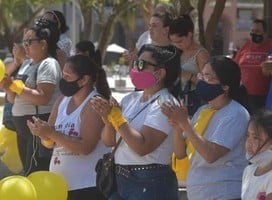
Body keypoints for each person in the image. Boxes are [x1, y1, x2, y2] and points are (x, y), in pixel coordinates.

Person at [90, 44, 181, 200]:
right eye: (136, 63)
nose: (135, 68)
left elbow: (142, 147)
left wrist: (117, 118)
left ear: (160, 73)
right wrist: (107, 120)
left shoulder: (165, 103)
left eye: (141, 64)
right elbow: (108, 140)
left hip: (150, 181)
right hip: (120, 177)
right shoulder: (130, 99)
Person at [161, 56, 250, 199]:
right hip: (199, 191)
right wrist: (178, 128)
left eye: (207, 76)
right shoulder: (203, 111)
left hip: (223, 192)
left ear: (225, 86)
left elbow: (211, 155)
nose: (201, 80)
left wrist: (185, 124)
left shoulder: (236, 114)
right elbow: (181, 154)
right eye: (201, 75)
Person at [27, 55, 111, 200]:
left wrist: (51, 133)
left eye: (67, 76)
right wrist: (42, 134)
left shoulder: (94, 104)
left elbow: (85, 147)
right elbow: (50, 142)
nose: (63, 80)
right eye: (62, 75)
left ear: (84, 80)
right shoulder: (62, 100)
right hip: (60, 185)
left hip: (86, 186)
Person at [0, 21, 62, 175]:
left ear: (43, 44)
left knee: (34, 172)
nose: (25, 45)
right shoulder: (27, 64)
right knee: (28, 171)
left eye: (29, 41)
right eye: (24, 41)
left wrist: (15, 86)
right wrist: (10, 89)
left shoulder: (48, 64)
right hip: (24, 128)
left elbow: (43, 98)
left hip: (37, 125)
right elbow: (15, 98)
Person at [234, 19, 272, 114]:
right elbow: (235, 66)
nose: (254, 34)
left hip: (265, 95)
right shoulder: (245, 46)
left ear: (265, 32)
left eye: (258, 31)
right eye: (252, 31)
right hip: (244, 95)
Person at [169, 14, 209, 116]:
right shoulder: (176, 52)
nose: (177, 45)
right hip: (176, 100)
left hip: (194, 103)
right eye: (174, 42)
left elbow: (208, 83)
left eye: (180, 41)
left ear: (190, 35)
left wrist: (187, 74)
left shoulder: (201, 54)